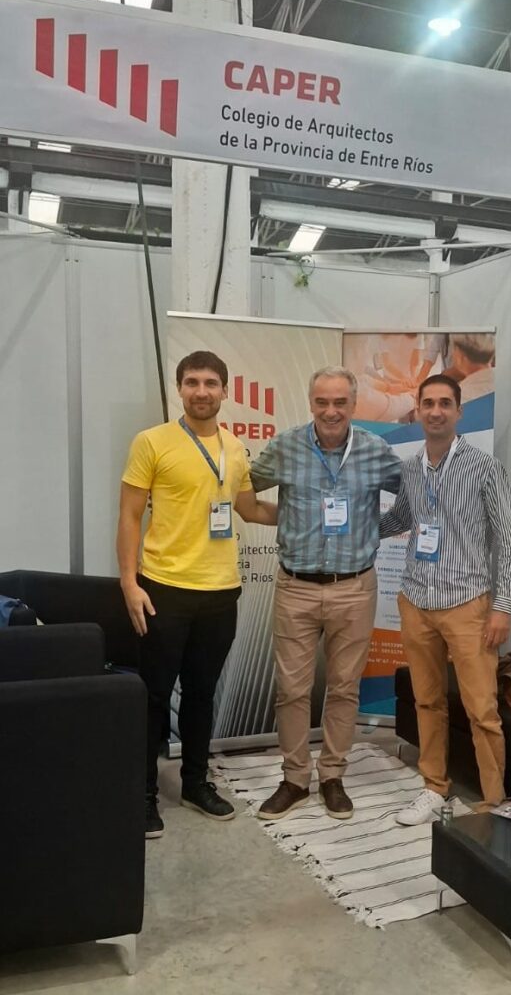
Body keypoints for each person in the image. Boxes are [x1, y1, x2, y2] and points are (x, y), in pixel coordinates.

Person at [117, 350, 277, 840]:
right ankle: (143, 795)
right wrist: (129, 582)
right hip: (164, 588)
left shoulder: (235, 447)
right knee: (154, 695)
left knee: (203, 694)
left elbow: (248, 509)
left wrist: (303, 513)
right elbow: (129, 515)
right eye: (192, 382)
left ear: (225, 391)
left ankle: (194, 783)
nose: (201, 391)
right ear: (180, 388)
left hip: (221, 590)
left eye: (210, 383)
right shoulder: (152, 442)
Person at [250, 366, 401, 821]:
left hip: (354, 587)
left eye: (339, 402)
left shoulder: (375, 451)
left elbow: (414, 498)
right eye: (322, 402)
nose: (330, 411)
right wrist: (291, 520)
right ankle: (295, 779)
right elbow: (242, 491)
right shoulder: (285, 447)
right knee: (291, 690)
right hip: (295, 586)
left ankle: (332, 775)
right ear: (311, 403)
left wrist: (372, 530)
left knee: (344, 688)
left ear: (354, 405)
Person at [380, 373, 511, 825]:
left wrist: (502, 607)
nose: (436, 411)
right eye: (429, 403)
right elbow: (400, 519)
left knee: (482, 710)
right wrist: (351, 525)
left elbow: (510, 543)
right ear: (418, 411)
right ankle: (434, 788)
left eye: (445, 403)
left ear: (459, 412)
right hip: (416, 599)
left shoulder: (484, 467)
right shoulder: (410, 468)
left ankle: (493, 800)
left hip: (468, 604)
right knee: (427, 702)